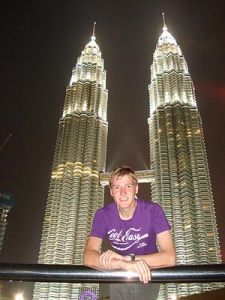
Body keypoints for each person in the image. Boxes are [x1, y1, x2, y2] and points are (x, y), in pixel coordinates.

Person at [84, 166, 176, 300]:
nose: (122, 192)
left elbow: (170, 257)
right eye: (117, 187)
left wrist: (129, 259)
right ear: (111, 192)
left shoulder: (153, 211)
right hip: (120, 272)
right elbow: (88, 256)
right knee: (113, 283)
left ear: (136, 189)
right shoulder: (103, 215)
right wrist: (123, 263)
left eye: (128, 186)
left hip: (148, 271)